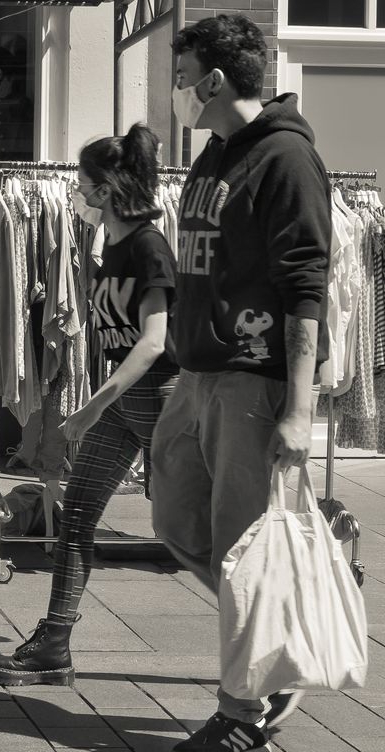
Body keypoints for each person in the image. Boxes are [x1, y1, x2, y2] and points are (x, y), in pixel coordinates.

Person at [151, 15, 331, 752]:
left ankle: (242, 712)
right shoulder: (215, 154)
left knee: (239, 551)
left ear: (215, 80)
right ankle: (277, 639)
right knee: (176, 524)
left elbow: (306, 287)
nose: (177, 90)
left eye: (183, 74)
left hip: (250, 384)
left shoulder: (285, 159)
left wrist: (299, 406)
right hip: (197, 377)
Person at [0, 123, 179, 687]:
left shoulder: (148, 245)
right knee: (75, 521)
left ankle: (267, 638)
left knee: (195, 534)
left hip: (160, 400)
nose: (76, 191)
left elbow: (153, 341)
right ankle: (55, 643)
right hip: (121, 403)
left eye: (82, 182)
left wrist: (91, 405)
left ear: (107, 189)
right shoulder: (111, 244)